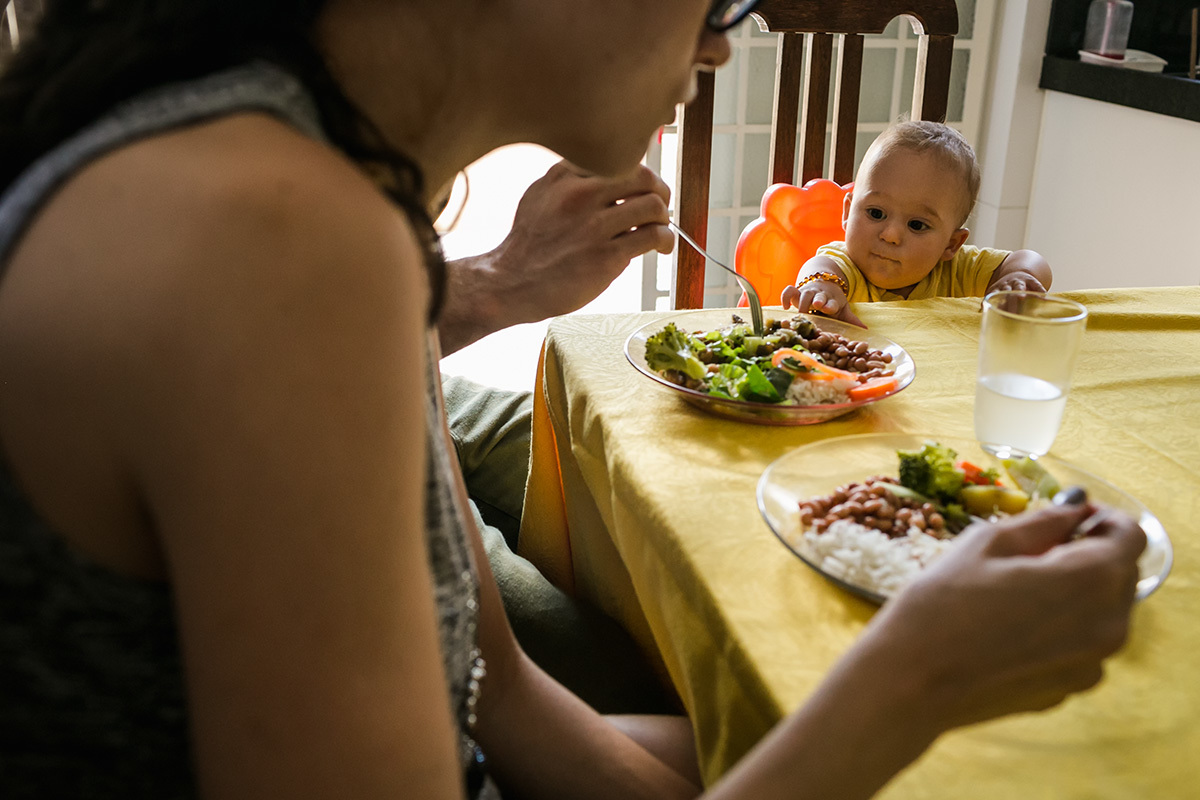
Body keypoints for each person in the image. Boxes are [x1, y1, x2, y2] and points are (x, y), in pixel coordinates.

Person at [0, 2, 1145, 800]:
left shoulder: (328, 188)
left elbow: (485, 686)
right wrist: (919, 676)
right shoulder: (285, 238)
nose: (717, 38)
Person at [440, 160, 683, 714]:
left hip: (409, 380)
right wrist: (498, 280)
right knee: (608, 669)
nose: (712, 66)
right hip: (314, 417)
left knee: (643, 468)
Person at [781, 120, 1052, 328]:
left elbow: (1030, 259)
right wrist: (822, 290)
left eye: (917, 225)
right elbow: (821, 268)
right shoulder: (848, 266)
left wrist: (1020, 278)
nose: (890, 235)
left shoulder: (958, 271)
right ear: (848, 210)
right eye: (876, 213)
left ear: (951, 243)